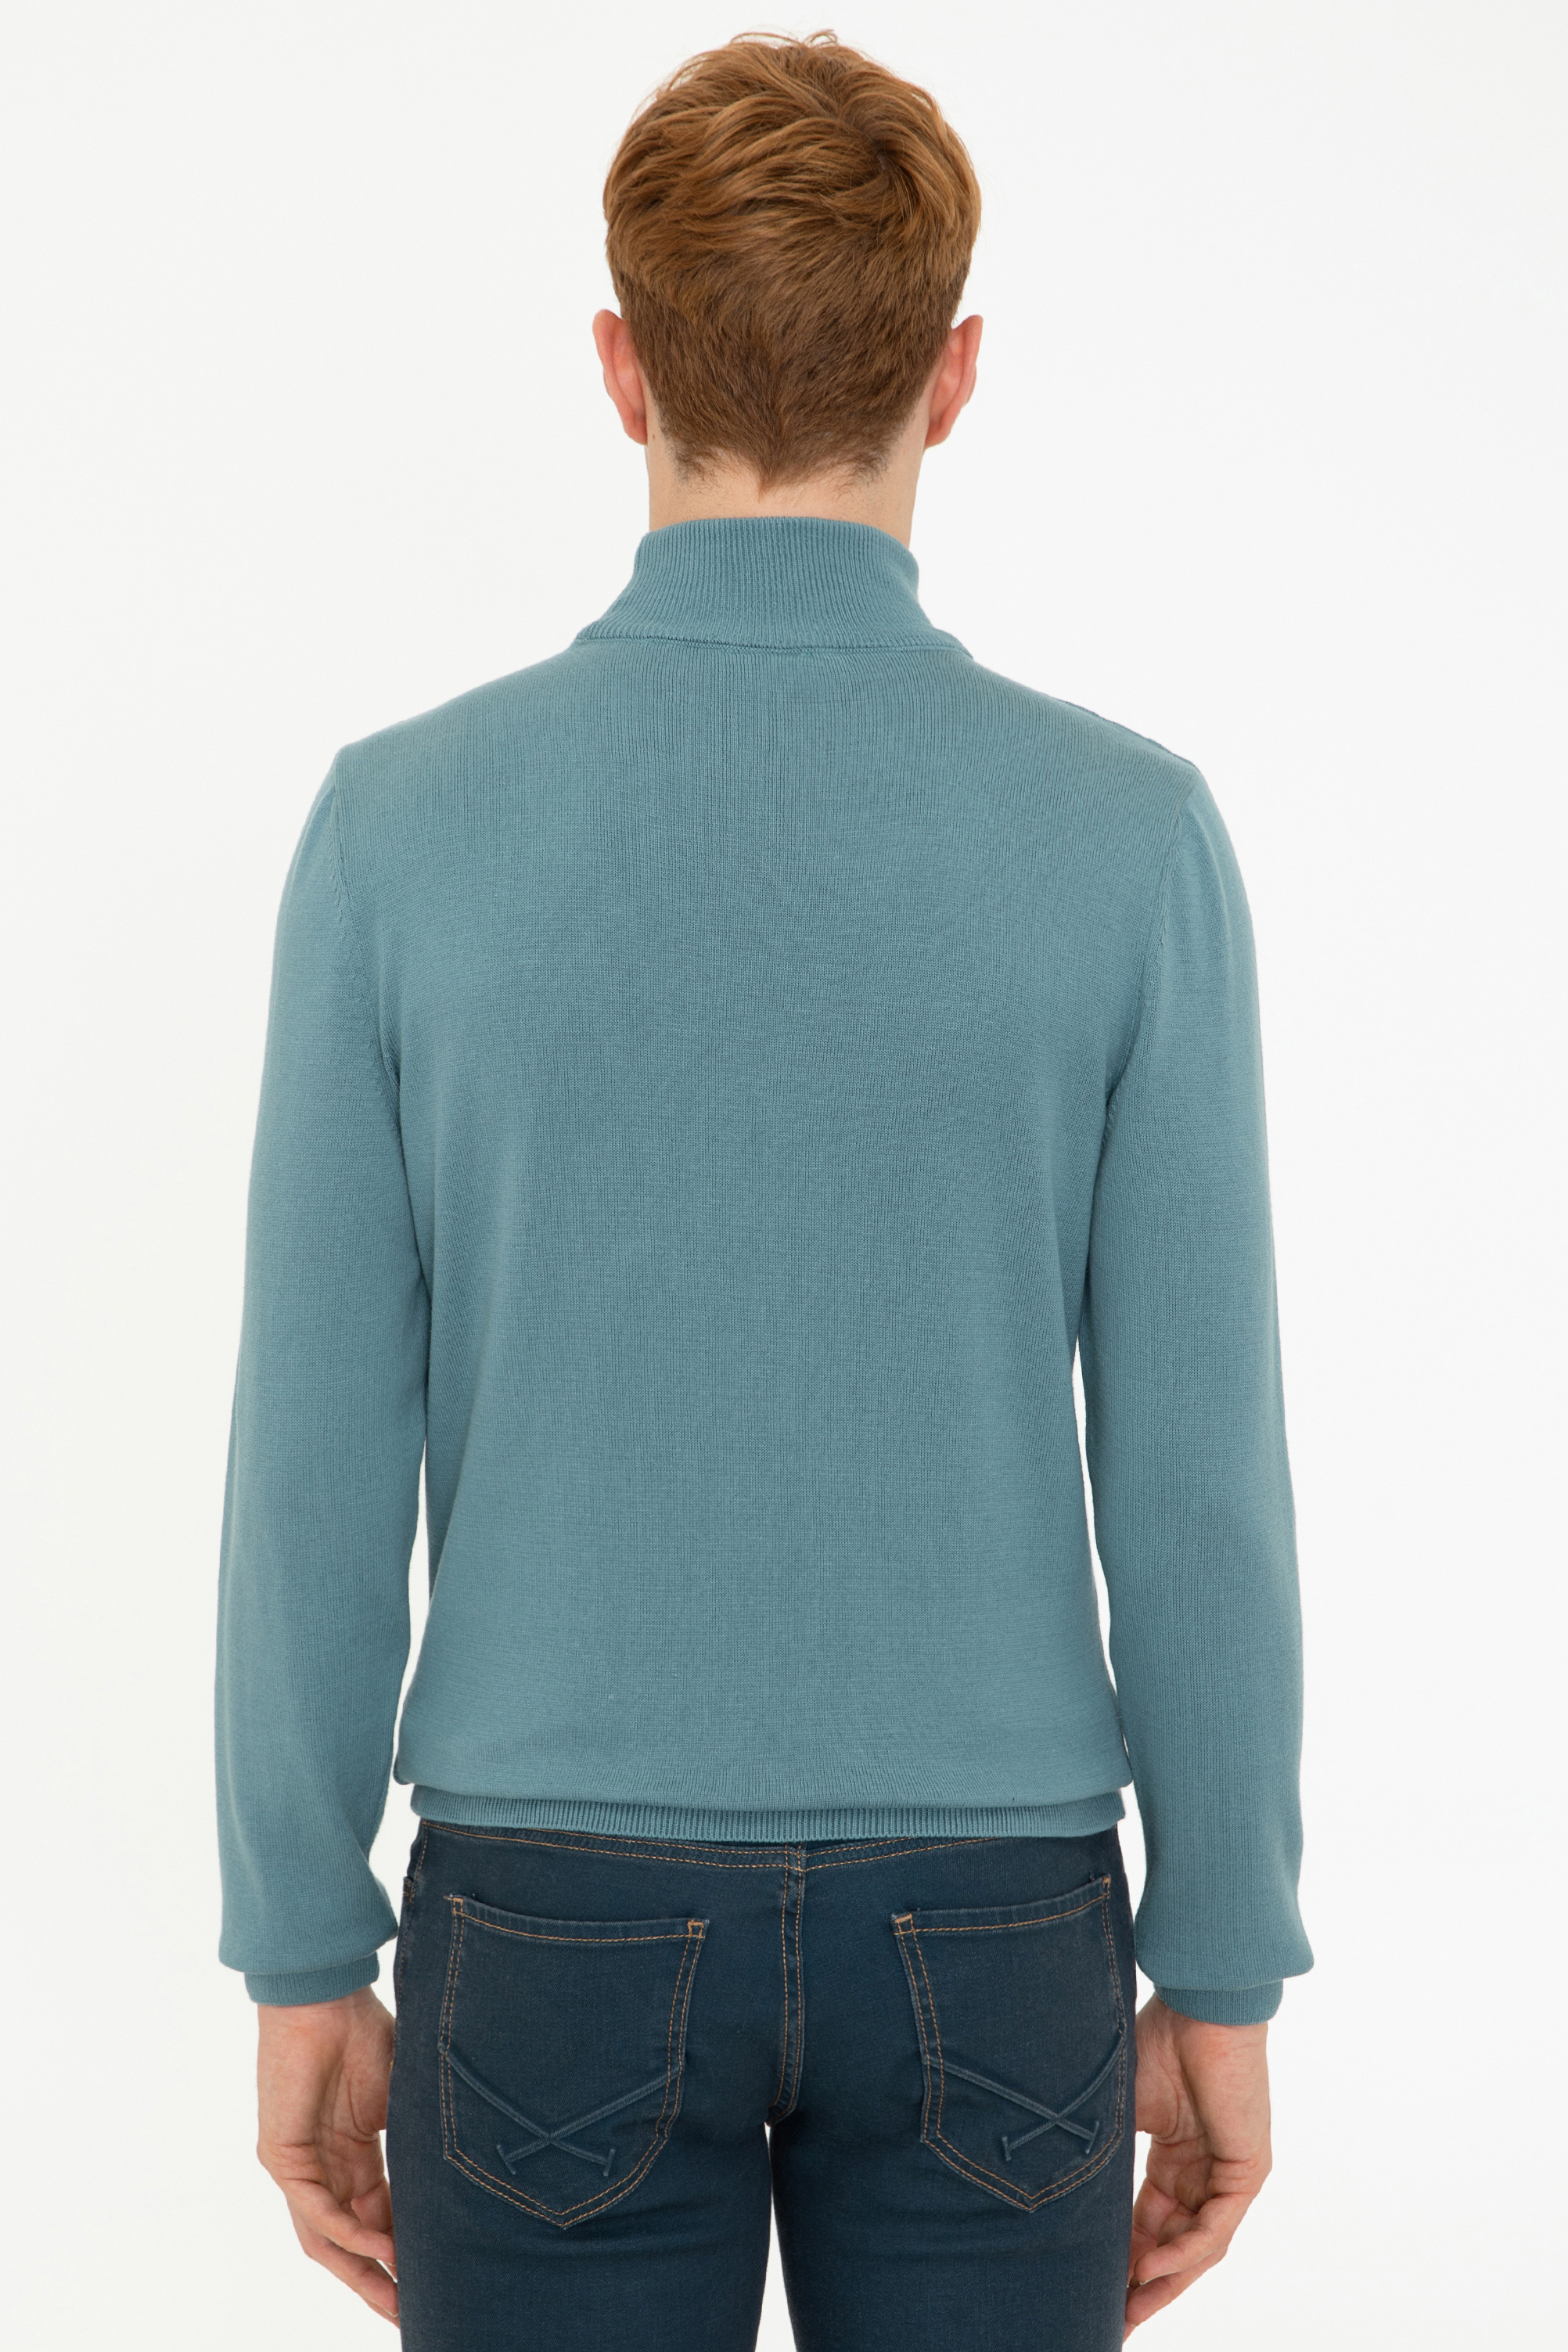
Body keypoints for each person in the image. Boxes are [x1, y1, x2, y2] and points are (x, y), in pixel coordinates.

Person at [216, 31, 1311, 2350]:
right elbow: (1198, 1475)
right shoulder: (1131, 840)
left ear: (623, 370)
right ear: (956, 376)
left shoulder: (396, 830)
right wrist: (1218, 1958)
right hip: (998, 1924)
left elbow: (310, 1453)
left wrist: (302, 1940)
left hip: (547, 1912)